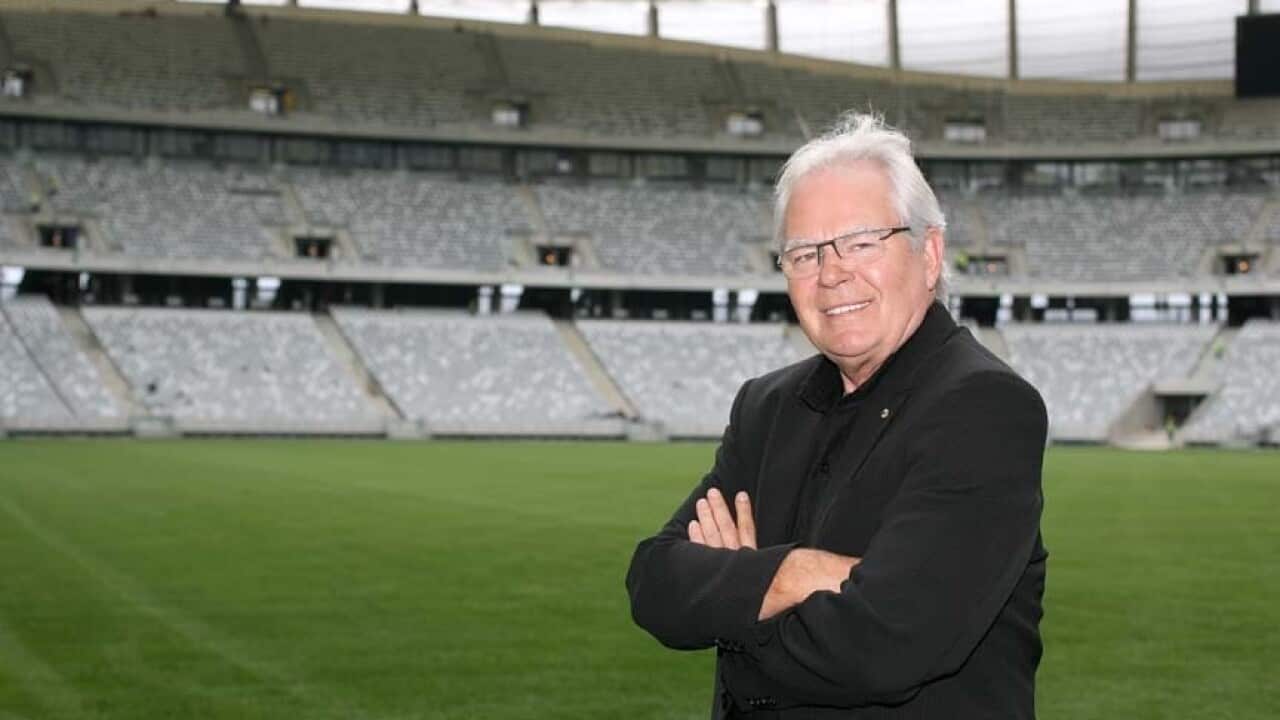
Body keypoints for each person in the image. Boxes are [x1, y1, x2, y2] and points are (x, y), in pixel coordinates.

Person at [626, 112, 1049, 719]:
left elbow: (887, 641)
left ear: (929, 255)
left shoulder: (983, 407)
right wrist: (798, 573)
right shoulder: (766, 408)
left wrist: (738, 598)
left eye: (860, 242)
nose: (831, 273)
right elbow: (654, 581)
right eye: (804, 254)